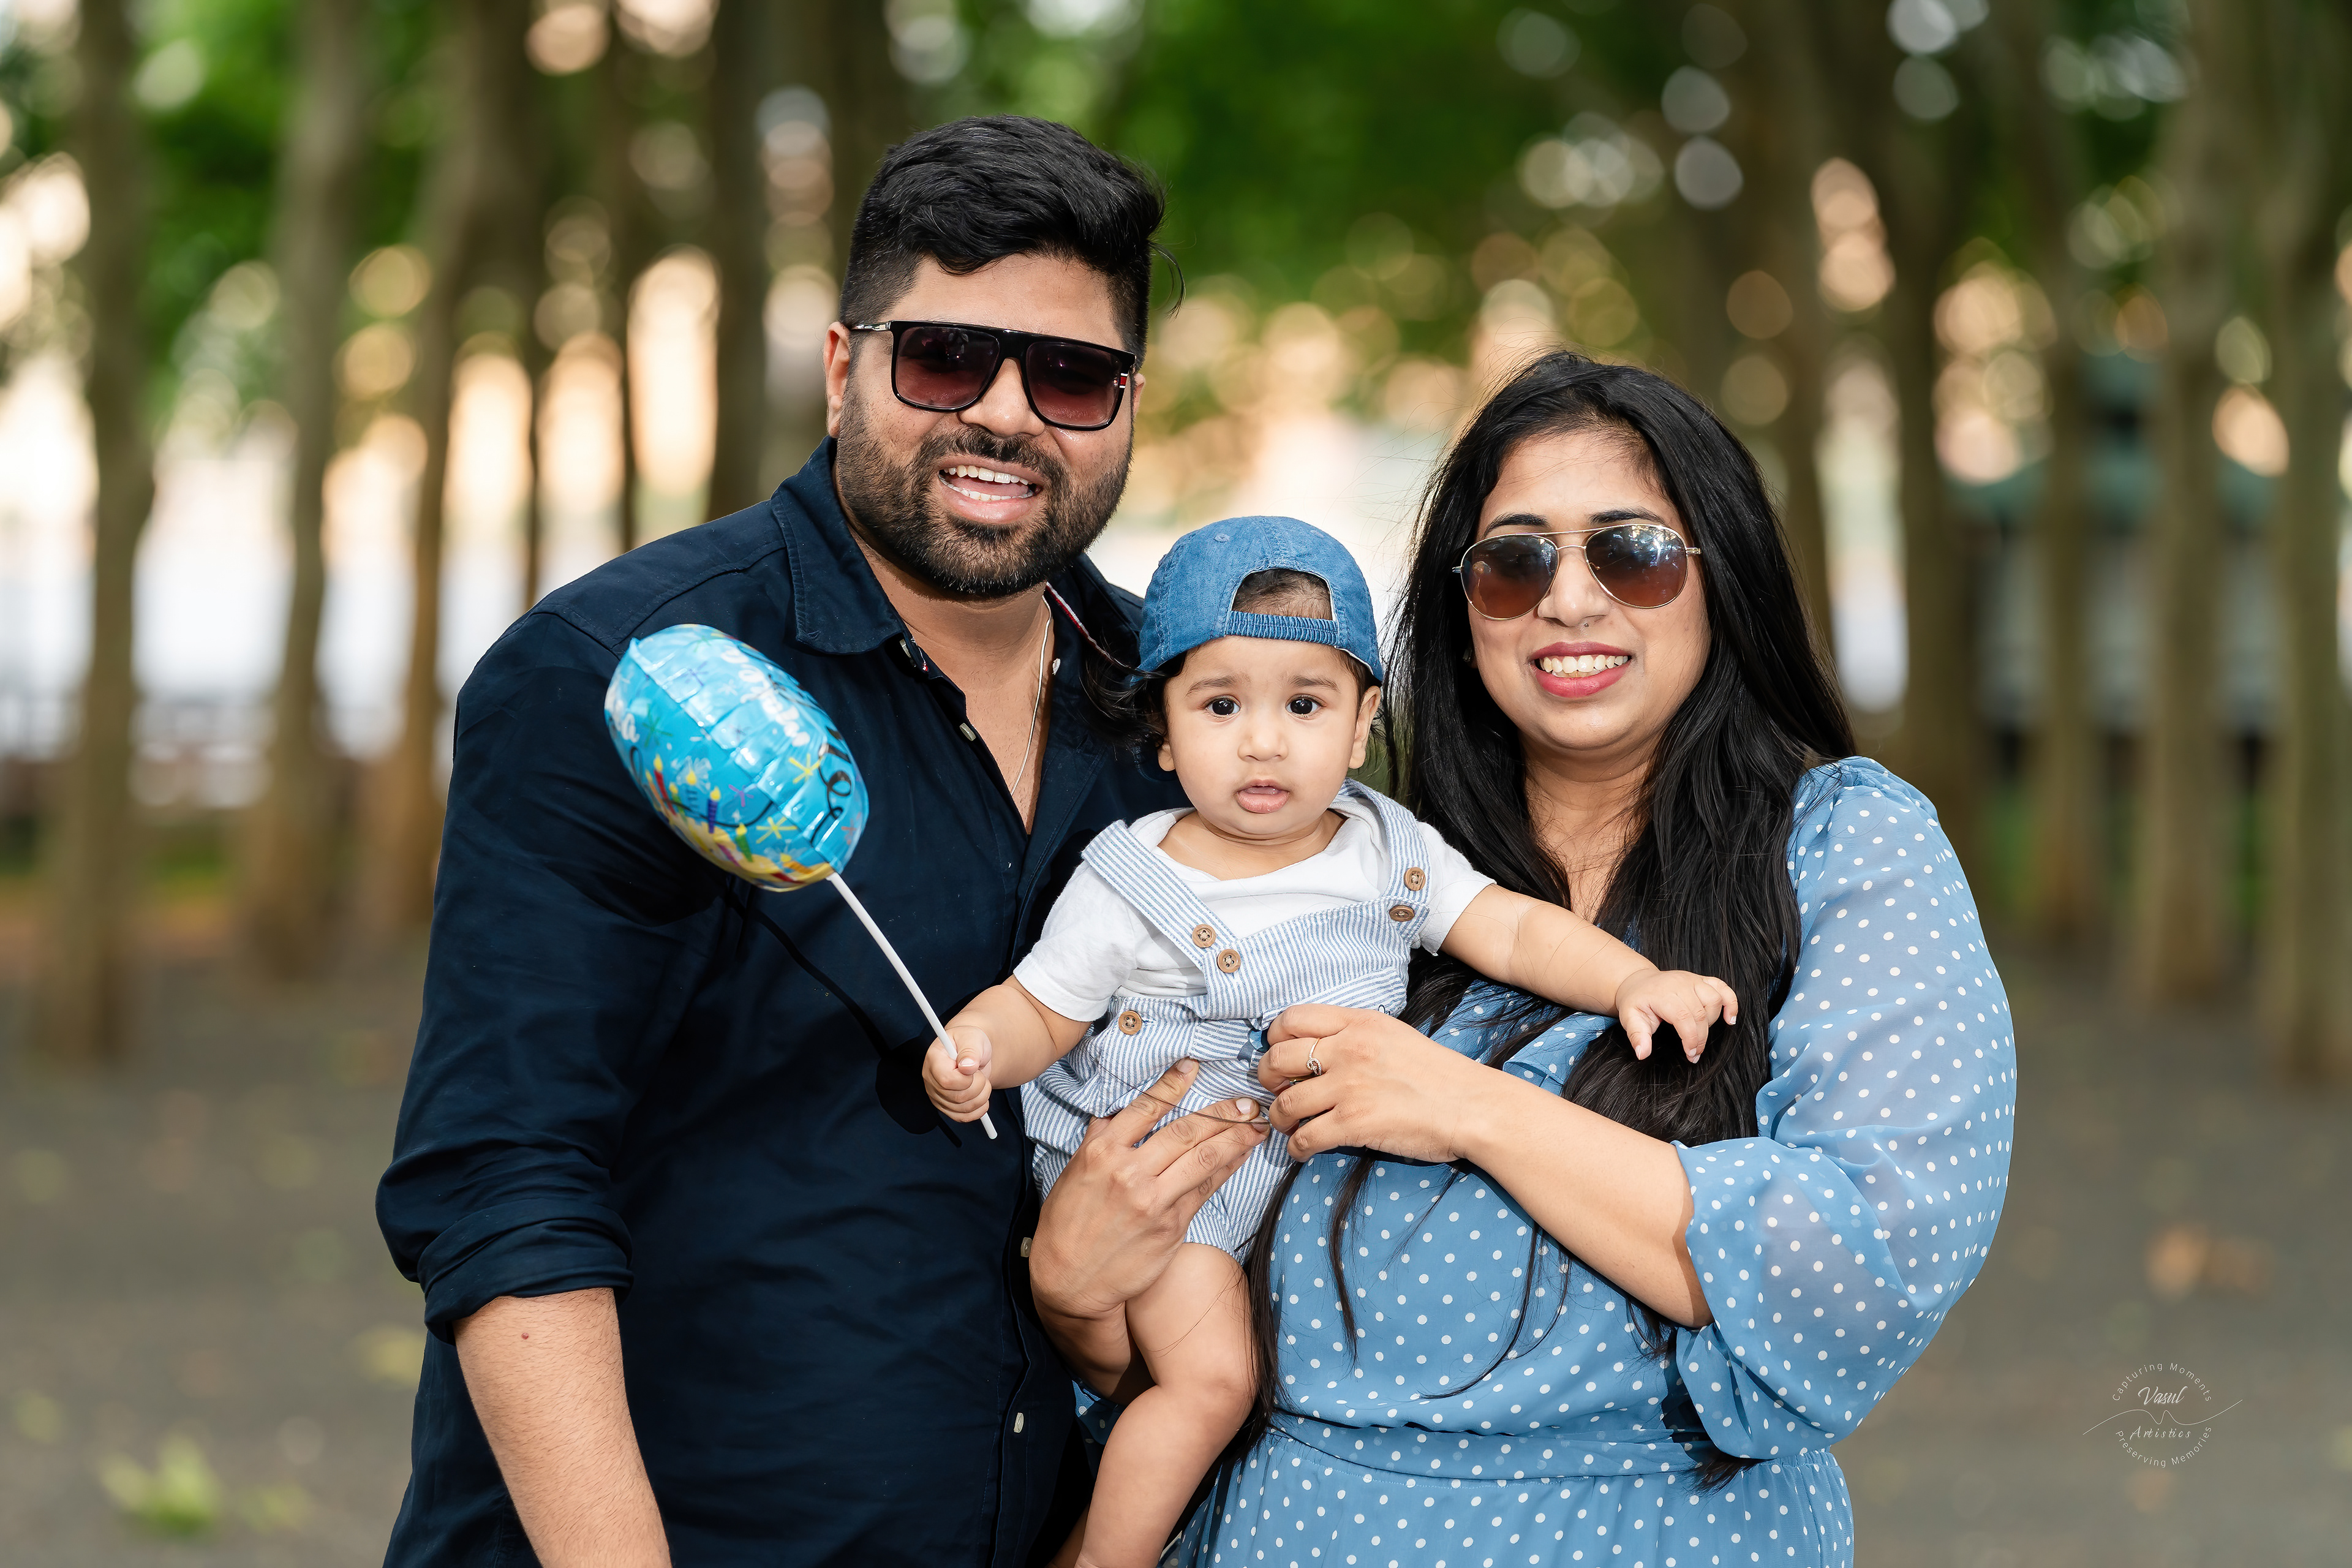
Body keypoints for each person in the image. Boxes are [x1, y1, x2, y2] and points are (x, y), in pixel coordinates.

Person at [374, 116, 1267, 1567]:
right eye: (945, 359)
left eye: (1069, 375)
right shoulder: (617, 674)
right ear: (846, 367)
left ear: (1126, 405)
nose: (1007, 414)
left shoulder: (1171, 707)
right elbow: (505, 1182)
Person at [1027, 352, 2017, 1567]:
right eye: (1517, 561)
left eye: (1633, 552)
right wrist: (1075, 1295)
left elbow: (1857, 1271)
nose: (1571, 599)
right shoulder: (1361, 878)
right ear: (1463, 612)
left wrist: (1471, 1107)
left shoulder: (1845, 846)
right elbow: (1195, 1367)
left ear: (1725, 578)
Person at [923, 518, 1738, 1568]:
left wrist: (1631, 979)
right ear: (1163, 730)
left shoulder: (1386, 849)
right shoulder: (1135, 878)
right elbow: (1042, 1009)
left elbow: (1509, 928)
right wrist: (977, 1048)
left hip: (1302, 1186)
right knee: (1213, 1385)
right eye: (1221, 706)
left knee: (1284, 1386)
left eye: (1304, 705)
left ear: (1361, 727)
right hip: (1180, 1180)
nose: (1263, 742)